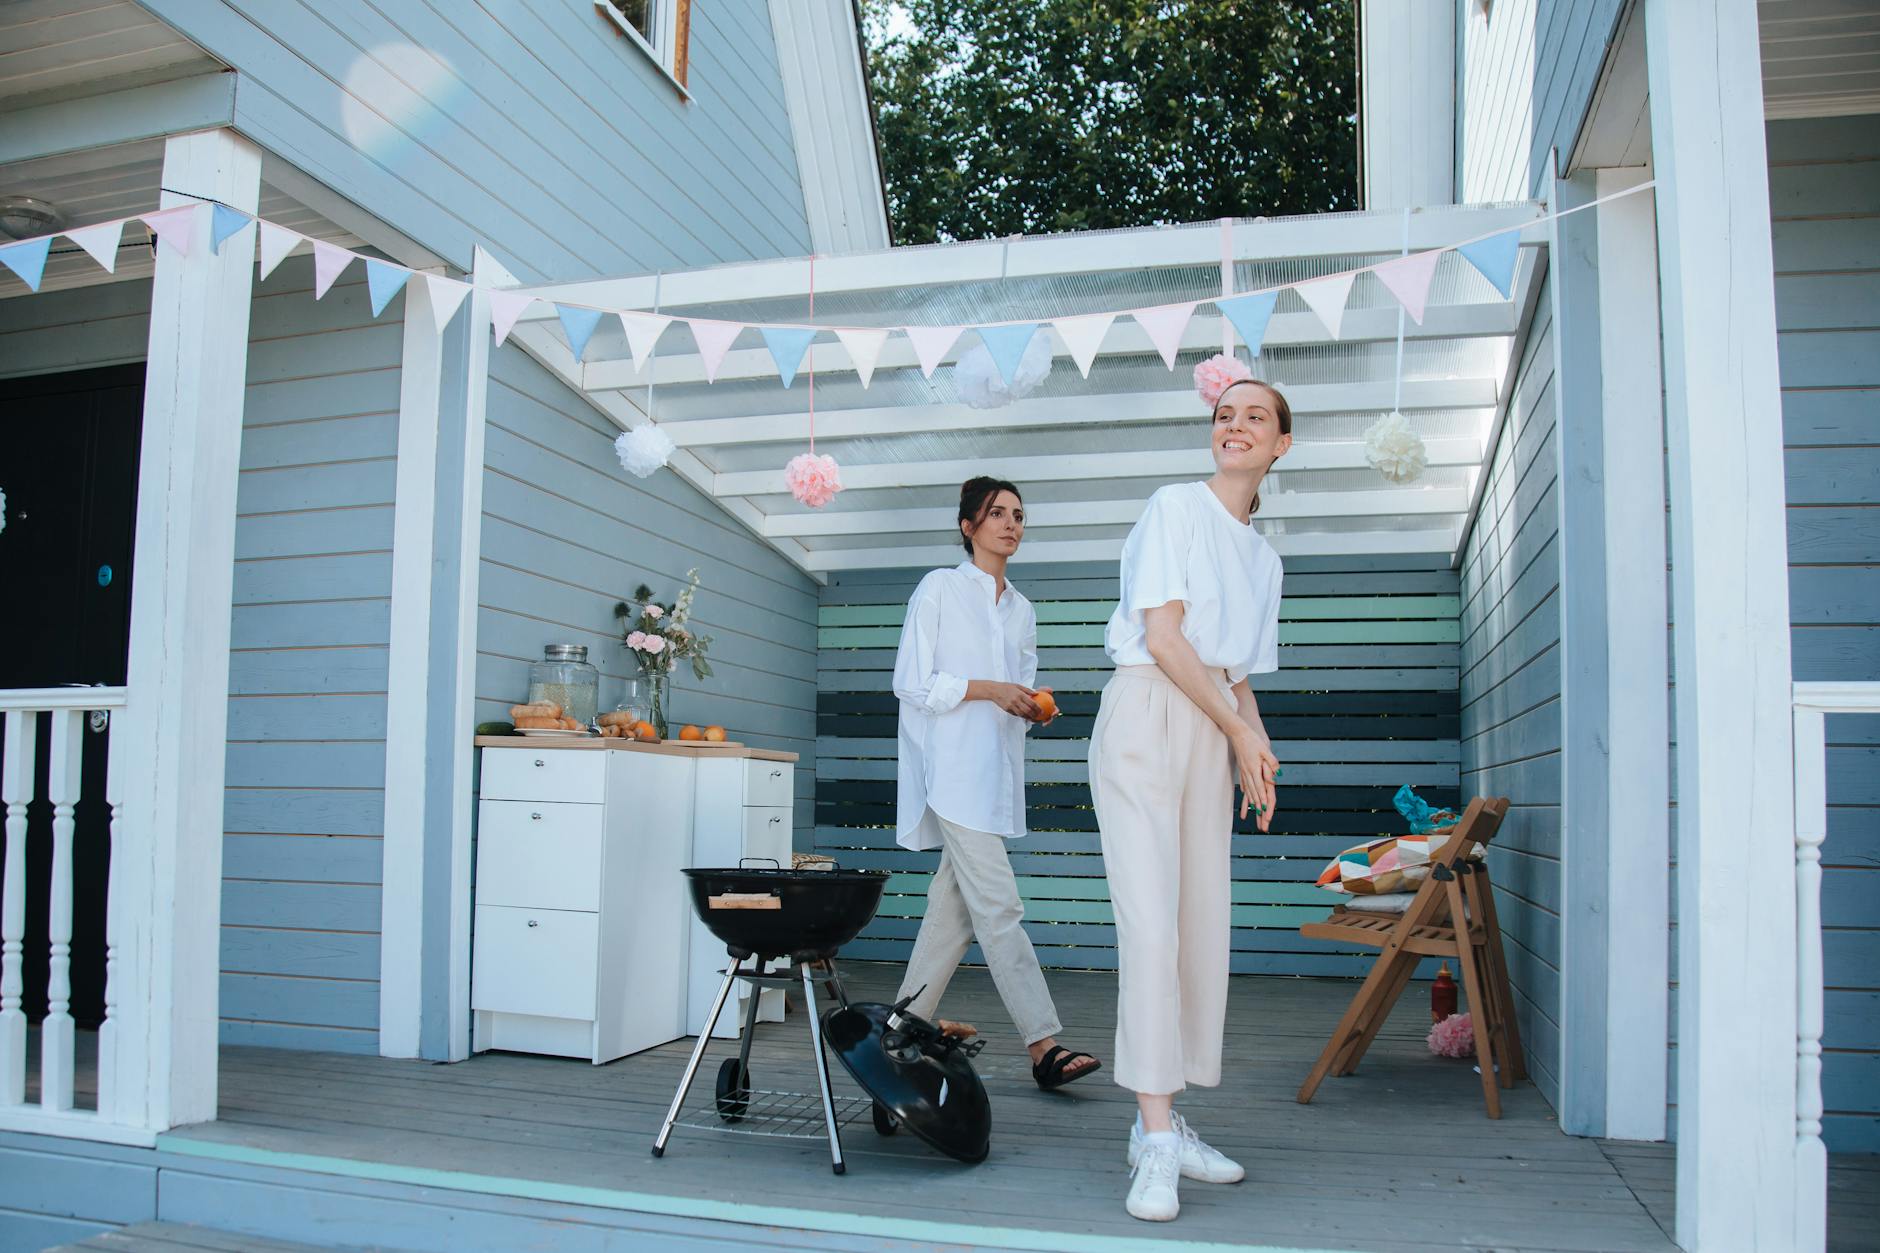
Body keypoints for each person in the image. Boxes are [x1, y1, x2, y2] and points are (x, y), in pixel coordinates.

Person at [1090, 355, 1287, 1222]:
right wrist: (1237, 723)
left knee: (1201, 927)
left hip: (1212, 727)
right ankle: (1157, 1136)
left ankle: (1161, 1120)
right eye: (1225, 412)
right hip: (1144, 714)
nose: (1234, 424)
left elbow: (1236, 673)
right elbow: (1165, 638)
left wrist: (1255, 745)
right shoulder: (1176, 506)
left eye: (1255, 417)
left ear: (1281, 444)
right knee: (1151, 929)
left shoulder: (1265, 559)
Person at [891, 476, 1101, 1091]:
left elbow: (1022, 694)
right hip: (952, 772)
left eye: (1018, 514)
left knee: (952, 911)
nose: (1010, 524)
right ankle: (1044, 1045)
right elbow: (912, 681)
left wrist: (1032, 707)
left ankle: (900, 1030)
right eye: (996, 514)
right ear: (967, 526)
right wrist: (987, 688)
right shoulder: (939, 588)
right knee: (1000, 907)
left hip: (995, 774)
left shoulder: (1022, 609)